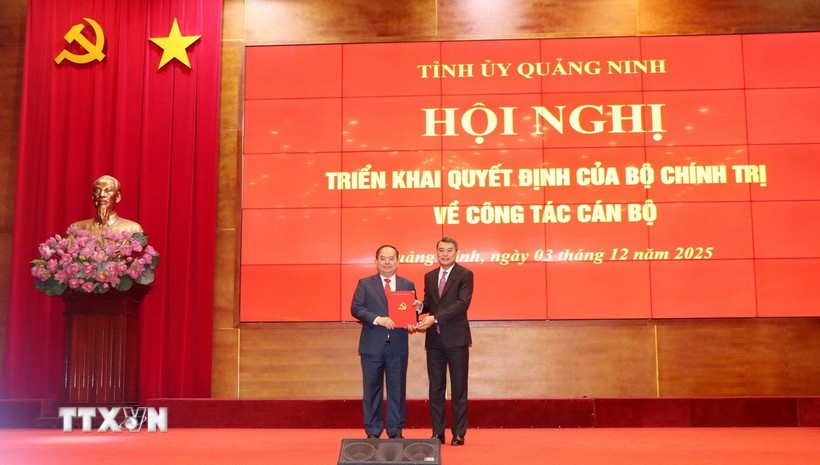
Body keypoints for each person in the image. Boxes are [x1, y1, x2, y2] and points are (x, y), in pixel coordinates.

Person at [350, 245, 419, 439]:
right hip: (372, 345)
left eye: (391, 258)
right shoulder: (365, 283)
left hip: (398, 345)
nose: (387, 262)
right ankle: (373, 430)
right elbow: (356, 309)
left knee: (398, 389)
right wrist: (377, 319)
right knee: (372, 389)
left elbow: (411, 313)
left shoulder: (407, 284)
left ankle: (395, 430)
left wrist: (412, 320)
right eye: (383, 258)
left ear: (398, 261)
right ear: (376, 261)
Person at [414, 237, 473, 446]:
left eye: (449, 250)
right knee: (436, 388)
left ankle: (459, 433)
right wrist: (420, 307)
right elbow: (431, 303)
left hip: (457, 339)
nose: (445, 254)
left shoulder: (465, 274)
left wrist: (435, 318)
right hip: (435, 341)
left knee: (458, 388)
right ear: (436, 252)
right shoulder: (429, 276)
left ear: (456, 252)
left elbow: (462, 304)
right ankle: (438, 433)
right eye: (441, 250)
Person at [71, 175, 143, 236]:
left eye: (108, 191)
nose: (101, 195)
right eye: (97, 190)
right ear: (93, 197)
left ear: (118, 197)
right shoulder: (77, 228)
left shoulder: (133, 229)